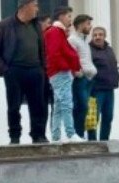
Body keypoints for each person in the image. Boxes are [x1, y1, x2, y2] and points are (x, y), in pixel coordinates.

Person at [0, 0, 48, 145]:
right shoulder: (5, 25)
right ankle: (14, 136)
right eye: (35, 5)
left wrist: (42, 69)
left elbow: (42, 49)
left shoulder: (36, 25)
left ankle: (38, 135)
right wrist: (5, 70)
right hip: (14, 71)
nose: (37, 8)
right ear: (25, 6)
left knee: (38, 105)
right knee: (14, 106)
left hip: (35, 70)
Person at [45, 6, 83, 143]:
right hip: (60, 72)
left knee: (59, 107)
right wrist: (67, 67)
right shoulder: (55, 32)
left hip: (58, 72)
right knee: (66, 104)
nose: (70, 19)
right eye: (68, 16)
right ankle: (70, 133)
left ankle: (55, 136)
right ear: (61, 16)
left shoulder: (57, 32)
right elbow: (55, 53)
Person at [88, 26, 119, 141]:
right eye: (95, 35)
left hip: (109, 89)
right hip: (95, 90)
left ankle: (104, 140)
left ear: (104, 36)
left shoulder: (109, 50)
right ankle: (92, 142)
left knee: (108, 116)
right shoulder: (89, 50)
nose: (97, 37)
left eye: (100, 35)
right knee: (93, 118)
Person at [69, 14, 97, 139]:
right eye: (88, 24)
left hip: (89, 78)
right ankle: (78, 134)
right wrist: (77, 72)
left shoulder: (85, 40)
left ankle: (80, 134)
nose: (90, 27)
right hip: (80, 79)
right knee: (81, 107)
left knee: (84, 108)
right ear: (80, 25)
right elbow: (71, 58)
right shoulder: (73, 39)